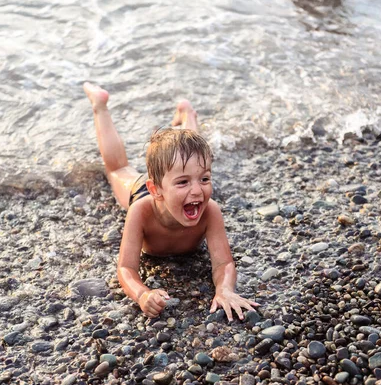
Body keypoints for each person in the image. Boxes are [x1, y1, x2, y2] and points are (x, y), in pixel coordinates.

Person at [83, 82, 259, 321]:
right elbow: (126, 269)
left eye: (205, 178)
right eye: (184, 183)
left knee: (191, 153)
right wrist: (142, 294)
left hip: (171, 176)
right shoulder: (141, 211)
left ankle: (187, 113)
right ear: (156, 189)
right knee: (118, 169)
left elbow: (223, 263)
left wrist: (225, 289)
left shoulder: (210, 211)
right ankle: (100, 106)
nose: (197, 190)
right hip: (141, 191)